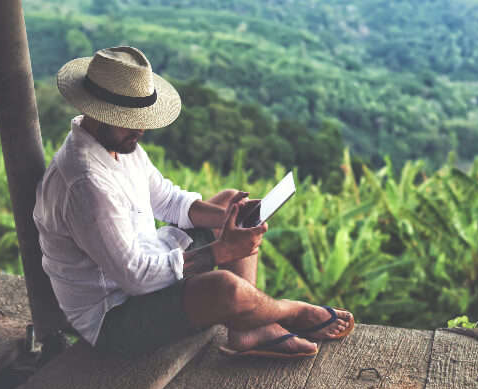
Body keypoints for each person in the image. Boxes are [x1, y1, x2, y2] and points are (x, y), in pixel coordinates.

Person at [33, 46, 354, 359]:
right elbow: (135, 277)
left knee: (230, 203)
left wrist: (228, 217)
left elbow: (169, 200)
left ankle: (248, 328)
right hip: (115, 317)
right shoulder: (86, 185)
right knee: (226, 288)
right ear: (97, 112)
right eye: (128, 119)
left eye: (141, 117)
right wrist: (221, 252)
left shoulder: (117, 145)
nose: (141, 129)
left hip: (145, 266)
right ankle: (288, 311)